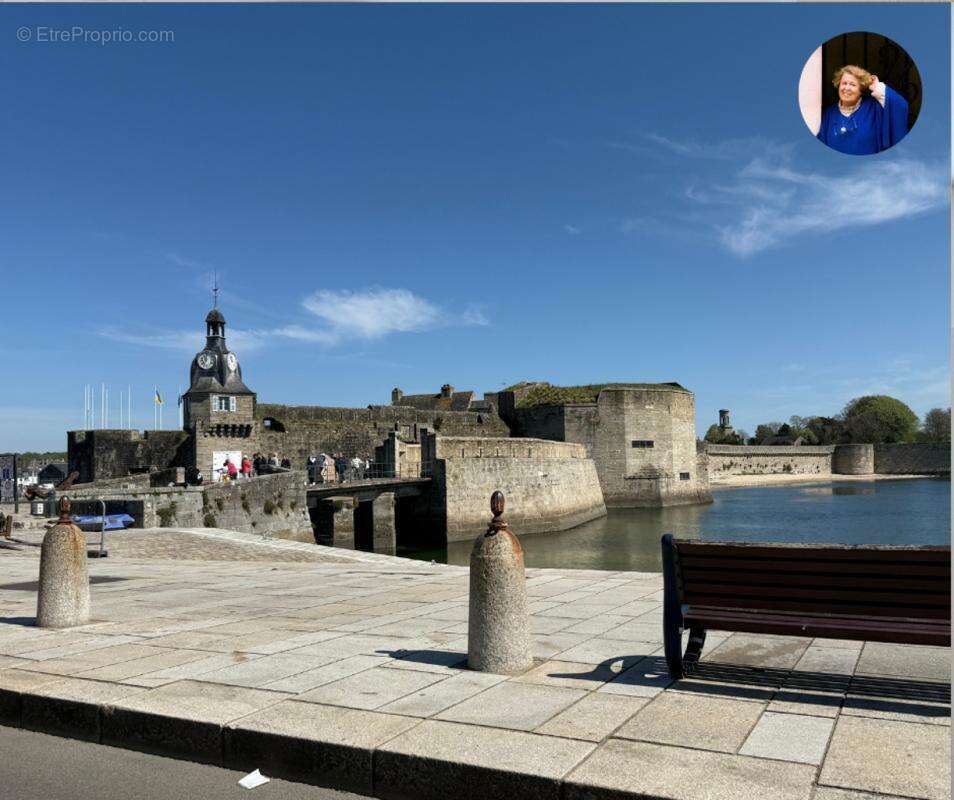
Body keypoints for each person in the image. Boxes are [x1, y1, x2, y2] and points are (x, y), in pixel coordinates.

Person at [817, 65, 908, 155]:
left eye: (852, 84)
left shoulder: (873, 108)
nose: (847, 88)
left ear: (861, 89)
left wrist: (877, 87)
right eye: (844, 83)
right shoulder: (829, 113)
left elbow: (901, 105)